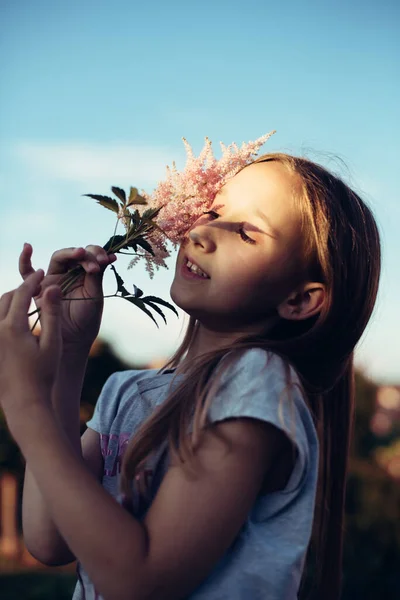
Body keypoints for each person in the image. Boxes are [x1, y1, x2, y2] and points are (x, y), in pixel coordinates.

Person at [0, 152, 381, 600]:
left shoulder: (256, 382)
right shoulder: (129, 392)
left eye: (246, 232)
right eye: (215, 212)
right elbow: (49, 539)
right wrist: (67, 355)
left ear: (299, 300)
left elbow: (139, 581)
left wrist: (26, 406)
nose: (202, 232)